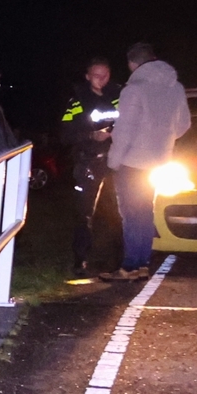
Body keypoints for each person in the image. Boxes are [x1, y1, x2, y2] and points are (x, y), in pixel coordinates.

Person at [104, 42, 190, 280]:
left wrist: (113, 162)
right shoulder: (176, 87)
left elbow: (124, 131)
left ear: (132, 63)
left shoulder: (134, 89)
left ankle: (129, 266)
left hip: (132, 162)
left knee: (131, 215)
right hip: (160, 160)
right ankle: (142, 264)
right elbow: (184, 125)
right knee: (146, 212)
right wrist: (162, 140)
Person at [59, 58, 120, 269]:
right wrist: (92, 135)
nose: (101, 79)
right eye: (96, 75)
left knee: (118, 211)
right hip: (89, 162)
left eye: (105, 75)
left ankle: (117, 259)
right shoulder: (77, 101)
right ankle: (80, 260)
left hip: (116, 162)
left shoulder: (118, 98)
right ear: (87, 76)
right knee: (85, 213)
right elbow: (66, 134)